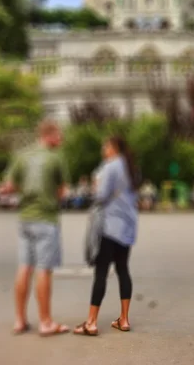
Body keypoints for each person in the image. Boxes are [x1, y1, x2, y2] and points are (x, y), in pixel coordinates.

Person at [0, 120, 70, 336]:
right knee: (43, 270)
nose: (62, 139)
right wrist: (50, 198)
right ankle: (45, 322)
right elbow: (63, 191)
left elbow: (8, 187)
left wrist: (23, 191)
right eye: (59, 135)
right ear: (50, 135)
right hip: (46, 219)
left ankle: (19, 321)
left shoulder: (22, 155)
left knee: (24, 268)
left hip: (25, 219)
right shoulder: (56, 157)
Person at [74, 135, 140, 337]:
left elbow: (101, 195)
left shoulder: (110, 167)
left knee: (101, 272)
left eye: (106, 145)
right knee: (123, 270)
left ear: (113, 148)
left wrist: (95, 186)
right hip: (127, 227)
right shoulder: (130, 167)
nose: (103, 148)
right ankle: (124, 319)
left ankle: (91, 322)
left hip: (110, 226)